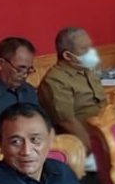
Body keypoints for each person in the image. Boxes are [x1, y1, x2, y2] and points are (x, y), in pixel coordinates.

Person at [37, 26, 106, 154]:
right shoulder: (55, 81)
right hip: (81, 147)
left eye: (90, 46)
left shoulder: (87, 70)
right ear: (68, 55)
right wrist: (96, 152)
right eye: (84, 49)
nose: (91, 52)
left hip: (105, 135)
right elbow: (67, 122)